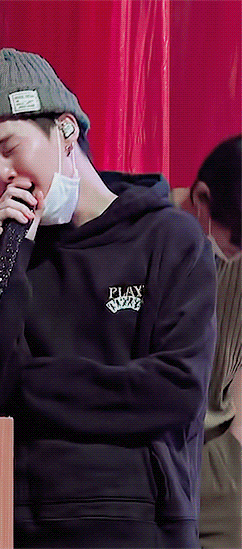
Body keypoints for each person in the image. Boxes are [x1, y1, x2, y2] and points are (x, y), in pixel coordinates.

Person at [0, 48, 216, 547]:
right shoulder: (5, 257)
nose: (2, 172)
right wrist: (5, 259)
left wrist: (28, 385)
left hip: (140, 523)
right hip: (25, 524)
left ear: (66, 130)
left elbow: (175, 390)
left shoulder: (167, 238)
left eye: (10, 148)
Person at [178, 135, 241, 548]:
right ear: (202, 198)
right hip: (140, 457)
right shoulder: (144, 232)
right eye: (237, 241)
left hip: (217, 451)